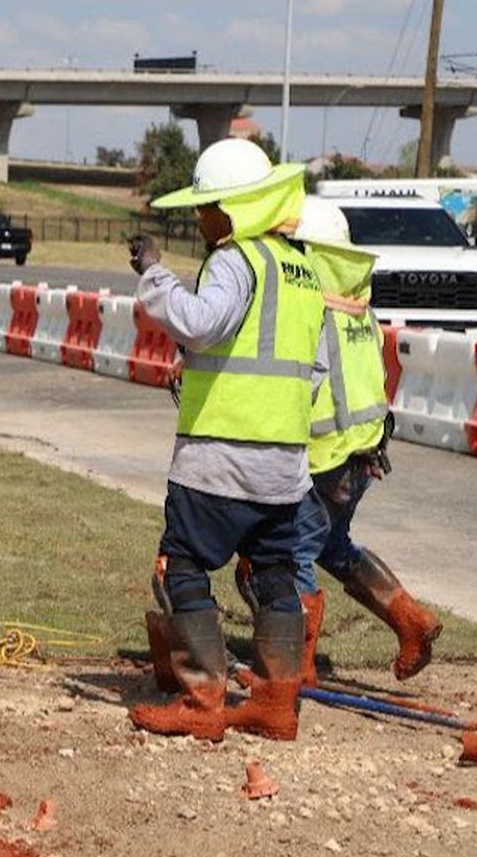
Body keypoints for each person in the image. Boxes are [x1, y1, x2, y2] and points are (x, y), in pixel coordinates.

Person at [126, 138, 324, 743]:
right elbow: (305, 370)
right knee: (274, 574)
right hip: (283, 463)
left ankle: (204, 698)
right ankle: (275, 701)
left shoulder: (238, 260)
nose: (201, 219)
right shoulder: (300, 270)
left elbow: (199, 322)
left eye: (208, 207)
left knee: (179, 566)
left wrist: (154, 272)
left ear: (238, 207)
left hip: (220, 456)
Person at [284, 197, 441, 682]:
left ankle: (293, 667)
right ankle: (411, 621)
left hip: (325, 456)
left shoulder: (307, 307)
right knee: (333, 545)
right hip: (364, 451)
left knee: (287, 554)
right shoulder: (357, 304)